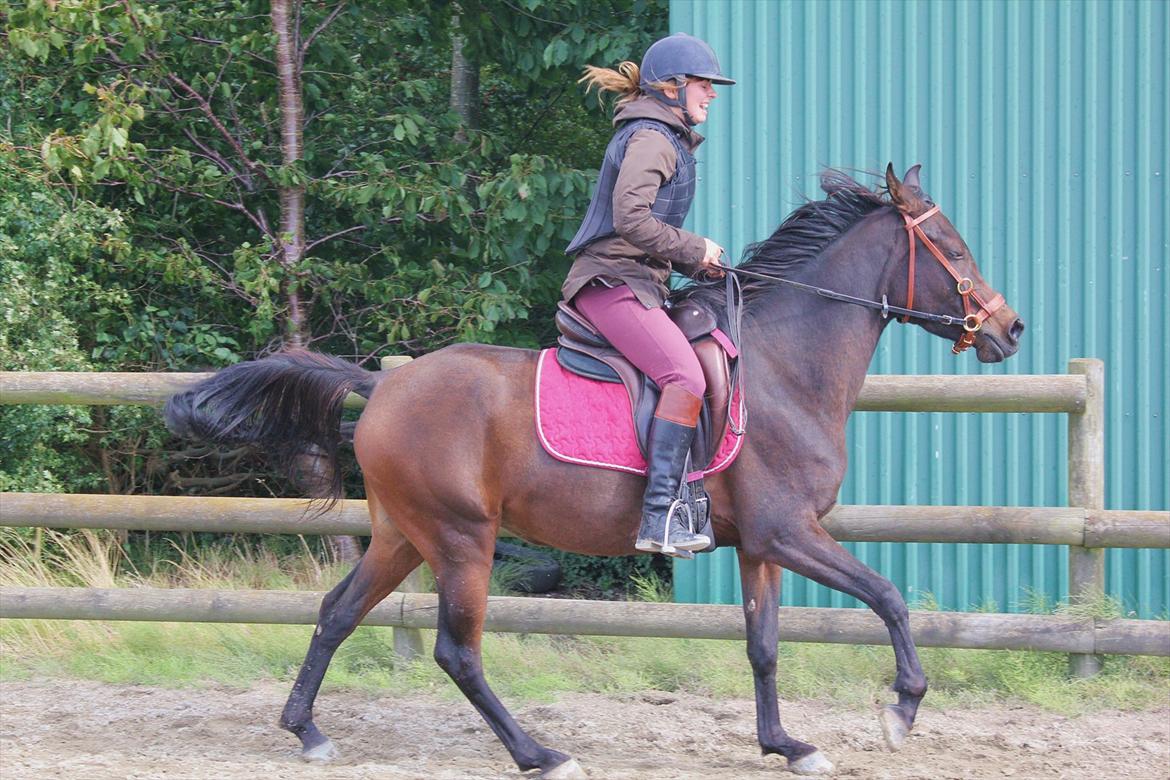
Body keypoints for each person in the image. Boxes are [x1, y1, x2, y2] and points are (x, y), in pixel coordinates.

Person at [562, 32, 734, 556]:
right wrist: (694, 246)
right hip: (609, 284)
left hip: (636, 280)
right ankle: (659, 518)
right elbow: (630, 219)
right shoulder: (653, 138)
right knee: (684, 375)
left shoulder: (666, 136)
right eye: (705, 84)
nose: (712, 94)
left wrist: (698, 264)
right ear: (675, 87)